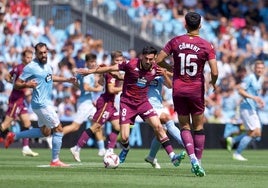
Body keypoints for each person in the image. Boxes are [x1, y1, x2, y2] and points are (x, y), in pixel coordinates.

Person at [76, 46, 186, 167]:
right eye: (146, 59)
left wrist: (165, 73)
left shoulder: (156, 69)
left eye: (151, 59)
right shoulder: (131, 64)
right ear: (142, 57)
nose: (148, 62)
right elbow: (113, 68)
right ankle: (126, 149)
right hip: (127, 104)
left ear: (154, 58)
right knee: (124, 138)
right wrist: (90, 71)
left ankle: (173, 157)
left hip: (143, 103)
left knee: (159, 127)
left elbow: (170, 85)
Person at [155, 12, 218, 176]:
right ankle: (199, 161)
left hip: (179, 89)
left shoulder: (175, 41)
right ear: (200, 25)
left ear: (185, 25)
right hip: (196, 89)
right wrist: (214, 82)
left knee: (184, 126)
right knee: (198, 127)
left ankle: (193, 160)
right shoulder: (206, 45)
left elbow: (158, 59)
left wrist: (171, 68)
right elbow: (215, 71)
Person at [5, 42, 77, 167]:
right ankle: (55, 160)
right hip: (41, 103)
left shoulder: (47, 66)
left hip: (43, 103)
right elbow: (17, 84)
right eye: (40, 53)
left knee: (45, 132)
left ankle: (14, 136)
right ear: (36, 54)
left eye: (45, 52)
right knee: (58, 129)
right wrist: (27, 85)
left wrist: (66, 80)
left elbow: (50, 77)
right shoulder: (31, 67)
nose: (43, 55)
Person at [70, 50, 124, 162]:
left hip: (111, 103)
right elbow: (111, 89)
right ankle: (76, 148)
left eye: (120, 60)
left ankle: (109, 150)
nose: (119, 62)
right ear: (112, 61)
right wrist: (124, 88)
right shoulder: (111, 72)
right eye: (116, 60)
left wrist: (102, 77)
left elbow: (100, 83)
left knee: (118, 126)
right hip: (105, 103)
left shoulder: (115, 71)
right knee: (96, 127)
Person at [61, 53, 105, 157]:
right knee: (75, 126)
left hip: (88, 102)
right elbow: (85, 87)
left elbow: (76, 83)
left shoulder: (86, 72)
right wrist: (97, 89)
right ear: (87, 63)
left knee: (97, 124)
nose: (93, 64)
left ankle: (102, 149)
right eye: (91, 62)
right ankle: (55, 136)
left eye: (94, 61)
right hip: (85, 104)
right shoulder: (87, 73)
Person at [0, 49, 39, 157]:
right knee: (5, 125)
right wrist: (27, 85)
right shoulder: (22, 69)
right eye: (27, 57)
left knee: (27, 123)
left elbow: (8, 75)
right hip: (16, 101)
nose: (29, 59)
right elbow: (17, 83)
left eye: (31, 58)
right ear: (23, 58)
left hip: (21, 101)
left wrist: (11, 81)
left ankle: (26, 148)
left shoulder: (19, 67)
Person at [145, 67, 185, 169]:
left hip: (158, 105)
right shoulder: (142, 70)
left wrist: (165, 74)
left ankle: (151, 156)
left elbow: (170, 85)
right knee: (167, 119)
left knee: (162, 131)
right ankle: (186, 143)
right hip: (146, 105)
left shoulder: (159, 72)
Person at [226, 60, 265, 161]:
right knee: (253, 132)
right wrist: (253, 98)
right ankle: (237, 153)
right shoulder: (250, 77)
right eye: (258, 68)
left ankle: (233, 140)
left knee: (257, 133)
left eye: (261, 68)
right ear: (254, 68)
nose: (259, 69)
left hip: (252, 108)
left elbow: (255, 94)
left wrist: (259, 101)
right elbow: (240, 90)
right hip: (246, 107)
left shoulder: (260, 79)